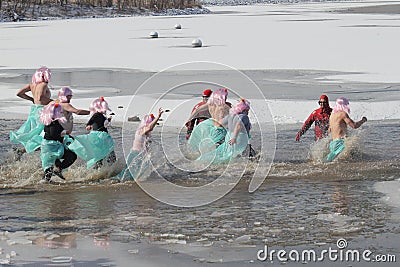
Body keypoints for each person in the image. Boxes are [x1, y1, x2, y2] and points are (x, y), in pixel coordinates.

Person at [10, 67, 53, 154]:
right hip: (42, 111)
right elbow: (40, 97)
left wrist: (31, 99)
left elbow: (19, 93)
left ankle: (21, 151)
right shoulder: (43, 85)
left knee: (36, 134)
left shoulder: (32, 85)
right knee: (44, 136)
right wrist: (53, 102)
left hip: (34, 110)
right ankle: (24, 151)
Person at [115, 108, 164, 181]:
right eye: (152, 122)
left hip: (140, 156)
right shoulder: (141, 131)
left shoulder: (146, 133)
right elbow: (150, 127)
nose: (153, 126)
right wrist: (158, 117)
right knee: (125, 177)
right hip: (135, 156)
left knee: (132, 177)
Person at [197, 99, 251, 163]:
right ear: (244, 110)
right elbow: (238, 125)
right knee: (248, 156)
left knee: (225, 154)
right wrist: (234, 138)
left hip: (228, 139)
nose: (248, 113)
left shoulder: (231, 116)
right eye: (247, 110)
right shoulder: (244, 116)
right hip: (238, 139)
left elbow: (220, 123)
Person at [67, 97, 115, 168]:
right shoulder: (96, 115)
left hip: (102, 136)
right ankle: (105, 167)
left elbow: (104, 123)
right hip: (99, 137)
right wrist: (88, 125)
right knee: (103, 153)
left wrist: (108, 119)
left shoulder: (101, 116)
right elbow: (91, 121)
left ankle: (106, 166)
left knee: (104, 153)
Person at [39, 101, 77, 181]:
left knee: (49, 167)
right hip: (53, 147)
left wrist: (64, 135)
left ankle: (45, 182)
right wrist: (63, 134)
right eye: (60, 112)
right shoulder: (54, 123)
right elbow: (54, 134)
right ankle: (58, 169)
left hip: (48, 146)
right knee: (72, 156)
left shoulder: (49, 122)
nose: (61, 113)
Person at [187, 88, 231, 154]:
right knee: (221, 147)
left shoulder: (210, 104)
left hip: (212, 128)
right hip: (221, 130)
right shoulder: (224, 106)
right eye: (225, 97)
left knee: (210, 144)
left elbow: (197, 110)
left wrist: (189, 120)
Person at [325, 97, 367, 162]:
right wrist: (363, 121)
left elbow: (329, 130)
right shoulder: (343, 114)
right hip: (340, 143)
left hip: (333, 143)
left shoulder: (332, 115)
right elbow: (354, 126)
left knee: (330, 162)